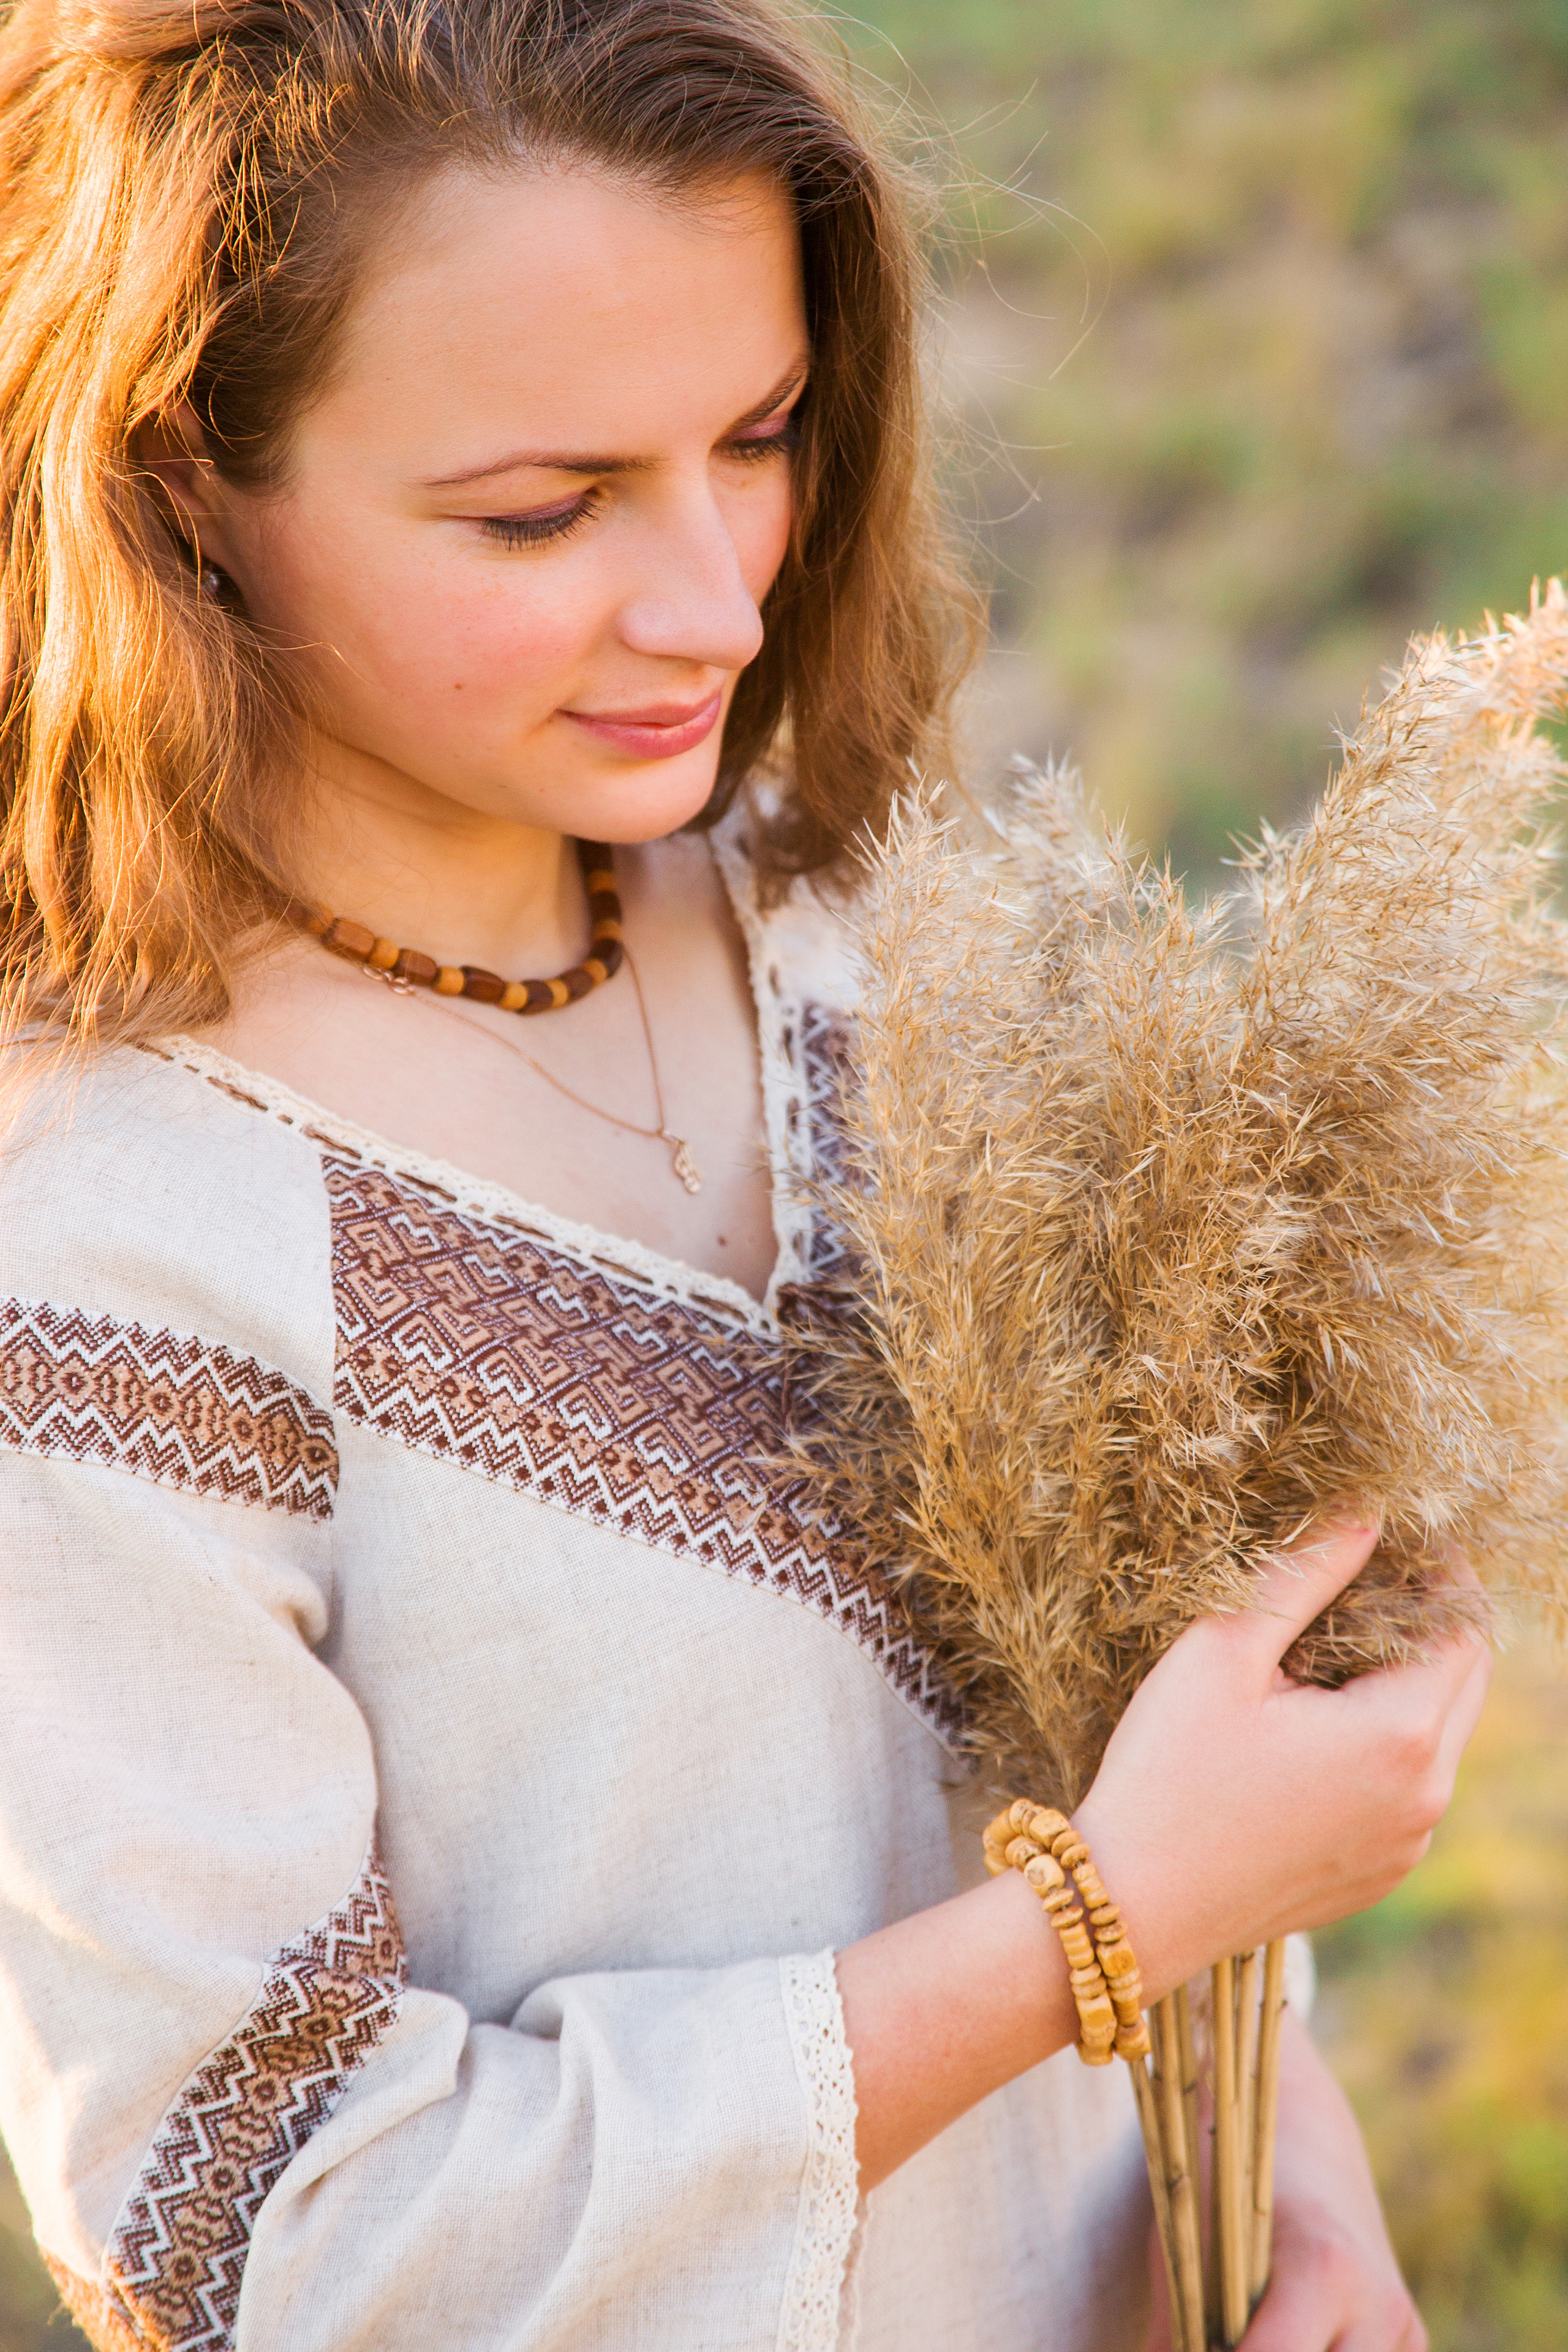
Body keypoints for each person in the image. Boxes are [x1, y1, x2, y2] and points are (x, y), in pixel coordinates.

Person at [0, 1, 1491, 2346]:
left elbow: (1137, 1690)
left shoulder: (854, 922)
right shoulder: (100, 1255)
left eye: (763, 437)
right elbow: (261, 2246)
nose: (714, 600)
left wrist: (1307, 2190)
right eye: (544, 508)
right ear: (184, 468)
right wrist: (1092, 1931)